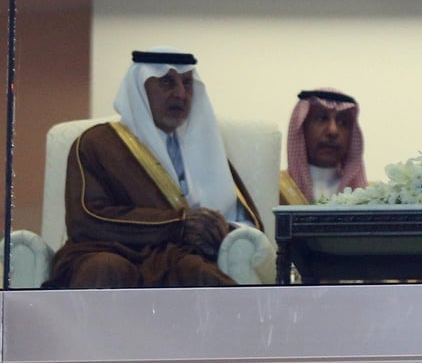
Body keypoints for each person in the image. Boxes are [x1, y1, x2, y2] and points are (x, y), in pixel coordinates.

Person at [45, 47, 263, 288]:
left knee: (202, 275)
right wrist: (176, 224)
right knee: (105, 268)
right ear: (140, 89)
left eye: (187, 83)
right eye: (167, 82)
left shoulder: (205, 150)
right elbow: (86, 220)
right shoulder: (97, 143)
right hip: (107, 251)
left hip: (176, 257)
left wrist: (216, 229)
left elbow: (246, 223)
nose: (181, 93)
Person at [280, 88, 367, 204]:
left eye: (343, 122)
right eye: (321, 119)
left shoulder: (371, 198)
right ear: (302, 128)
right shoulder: (277, 190)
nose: (333, 131)